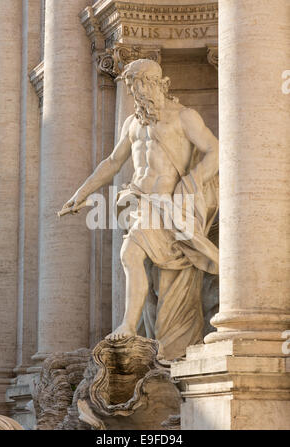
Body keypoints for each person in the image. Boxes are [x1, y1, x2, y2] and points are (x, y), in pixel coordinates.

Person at [60, 59, 219, 360]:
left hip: (168, 204)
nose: (138, 93)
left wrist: (192, 181)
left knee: (129, 254)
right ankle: (145, 331)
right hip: (138, 200)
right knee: (150, 274)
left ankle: (127, 325)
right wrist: (82, 193)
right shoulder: (132, 123)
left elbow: (215, 150)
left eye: (143, 85)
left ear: (159, 84)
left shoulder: (184, 117)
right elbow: (113, 162)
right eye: (134, 88)